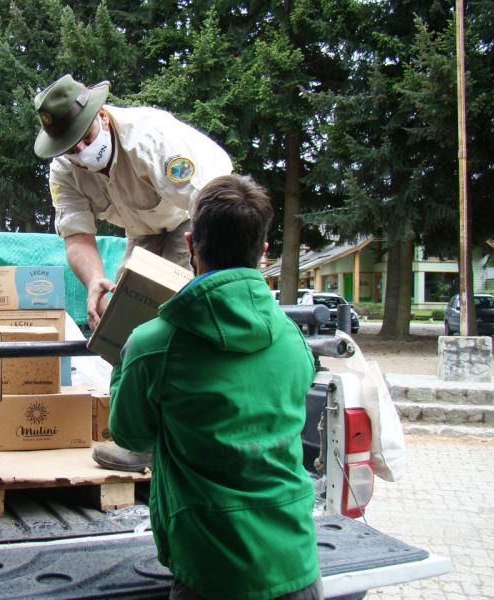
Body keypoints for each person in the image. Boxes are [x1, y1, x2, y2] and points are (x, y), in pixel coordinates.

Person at [108, 174, 322, 600]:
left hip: (210, 572)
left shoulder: (154, 344)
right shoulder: (292, 340)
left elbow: (130, 435)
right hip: (298, 565)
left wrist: (123, 355)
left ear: (190, 246)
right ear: (262, 253)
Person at [33, 74, 232, 331]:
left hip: (194, 214)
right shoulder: (63, 173)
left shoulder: (150, 138)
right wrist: (95, 281)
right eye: (71, 147)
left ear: (102, 116)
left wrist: (205, 273)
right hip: (142, 232)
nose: (82, 150)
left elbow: (209, 204)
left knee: (178, 305)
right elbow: (77, 237)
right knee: (121, 316)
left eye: (87, 136)